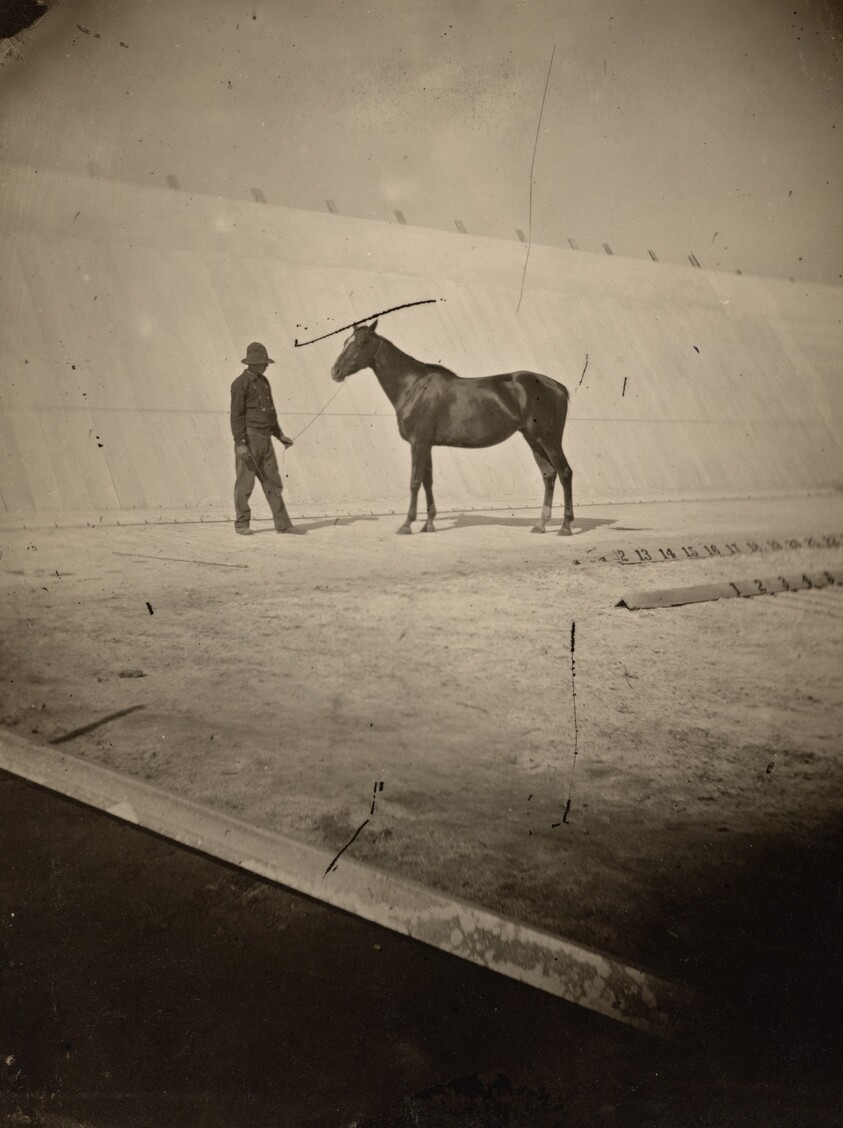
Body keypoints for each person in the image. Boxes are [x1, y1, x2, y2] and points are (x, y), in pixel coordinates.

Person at [230, 342, 305, 534]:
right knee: (245, 484)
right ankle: (241, 524)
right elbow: (236, 416)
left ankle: (283, 524)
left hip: (266, 440)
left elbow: (271, 413)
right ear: (253, 363)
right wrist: (240, 444)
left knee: (273, 482)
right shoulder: (240, 384)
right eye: (263, 363)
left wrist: (280, 436)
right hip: (249, 439)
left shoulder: (264, 382)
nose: (266, 366)